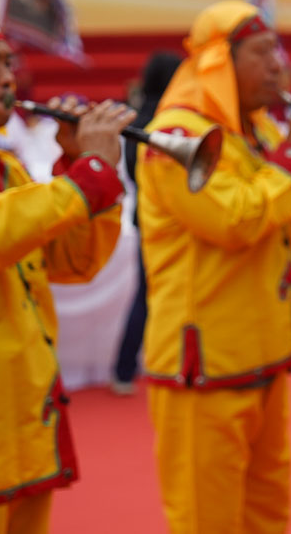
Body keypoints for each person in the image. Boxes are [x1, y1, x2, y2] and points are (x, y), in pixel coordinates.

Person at [137, 1, 291, 533]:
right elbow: (234, 221)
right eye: (262, 53)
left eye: (279, 52)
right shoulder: (175, 137)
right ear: (219, 60)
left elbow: (278, 217)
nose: (279, 66)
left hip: (264, 353)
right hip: (206, 362)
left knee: (267, 515)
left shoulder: (255, 128)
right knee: (206, 520)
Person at [0, 29, 135, 533]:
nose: (7, 79)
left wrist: (79, 165)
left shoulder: (8, 169)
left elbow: (73, 262)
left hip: (23, 423)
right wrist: (86, 178)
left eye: (9, 63)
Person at [112, 50, 183, 394]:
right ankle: (134, 367)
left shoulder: (138, 118)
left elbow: (130, 171)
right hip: (168, 218)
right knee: (155, 293)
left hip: (145, 215)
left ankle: (126, 369)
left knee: (147, 292)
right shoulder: (168, 121)